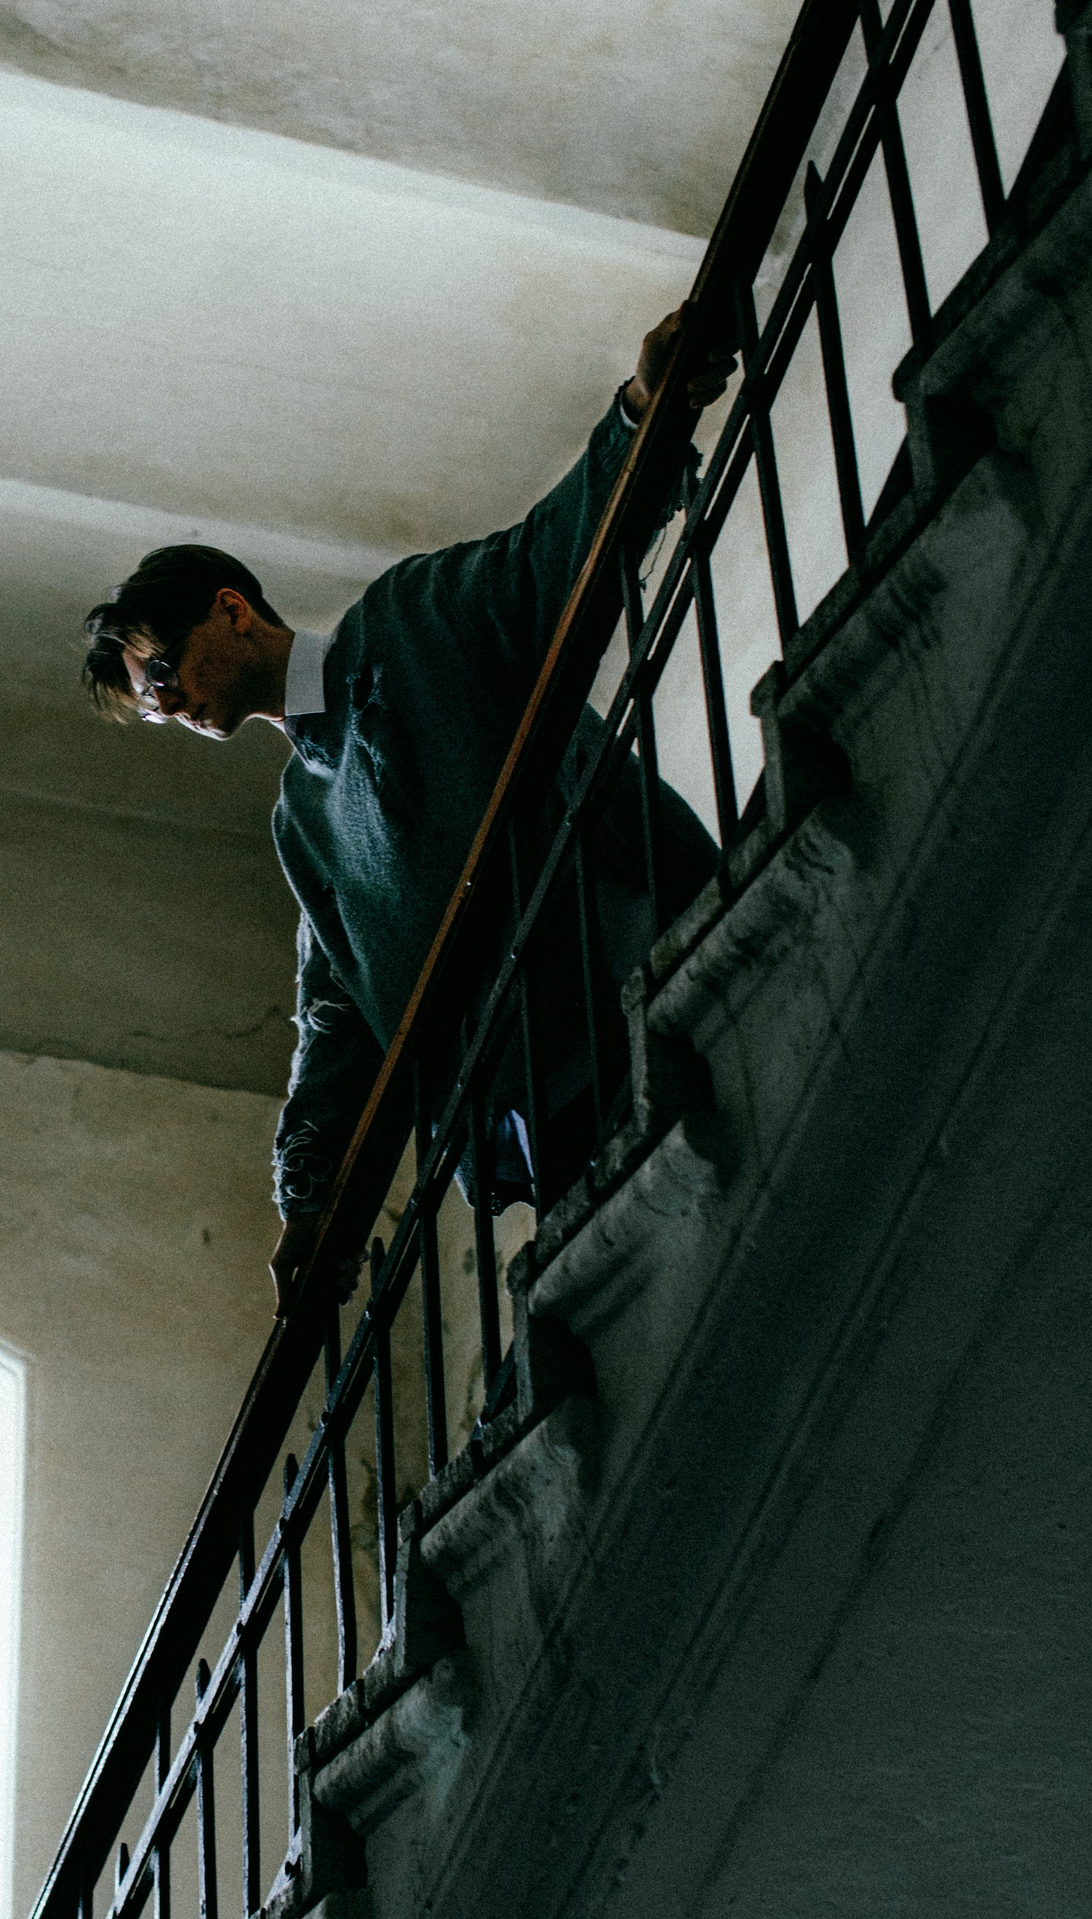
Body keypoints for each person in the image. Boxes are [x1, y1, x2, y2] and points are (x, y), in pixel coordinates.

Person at [81, 307, 734, 1314]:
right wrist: (309, 1202)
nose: (171, 708)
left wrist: (642, 410)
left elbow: (543, 564)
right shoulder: (302, 818)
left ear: (230, 609)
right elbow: (336, 1012)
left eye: (162, 675)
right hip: (545, 1118)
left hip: (644, 987)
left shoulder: (405, 626)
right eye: (153, 706)